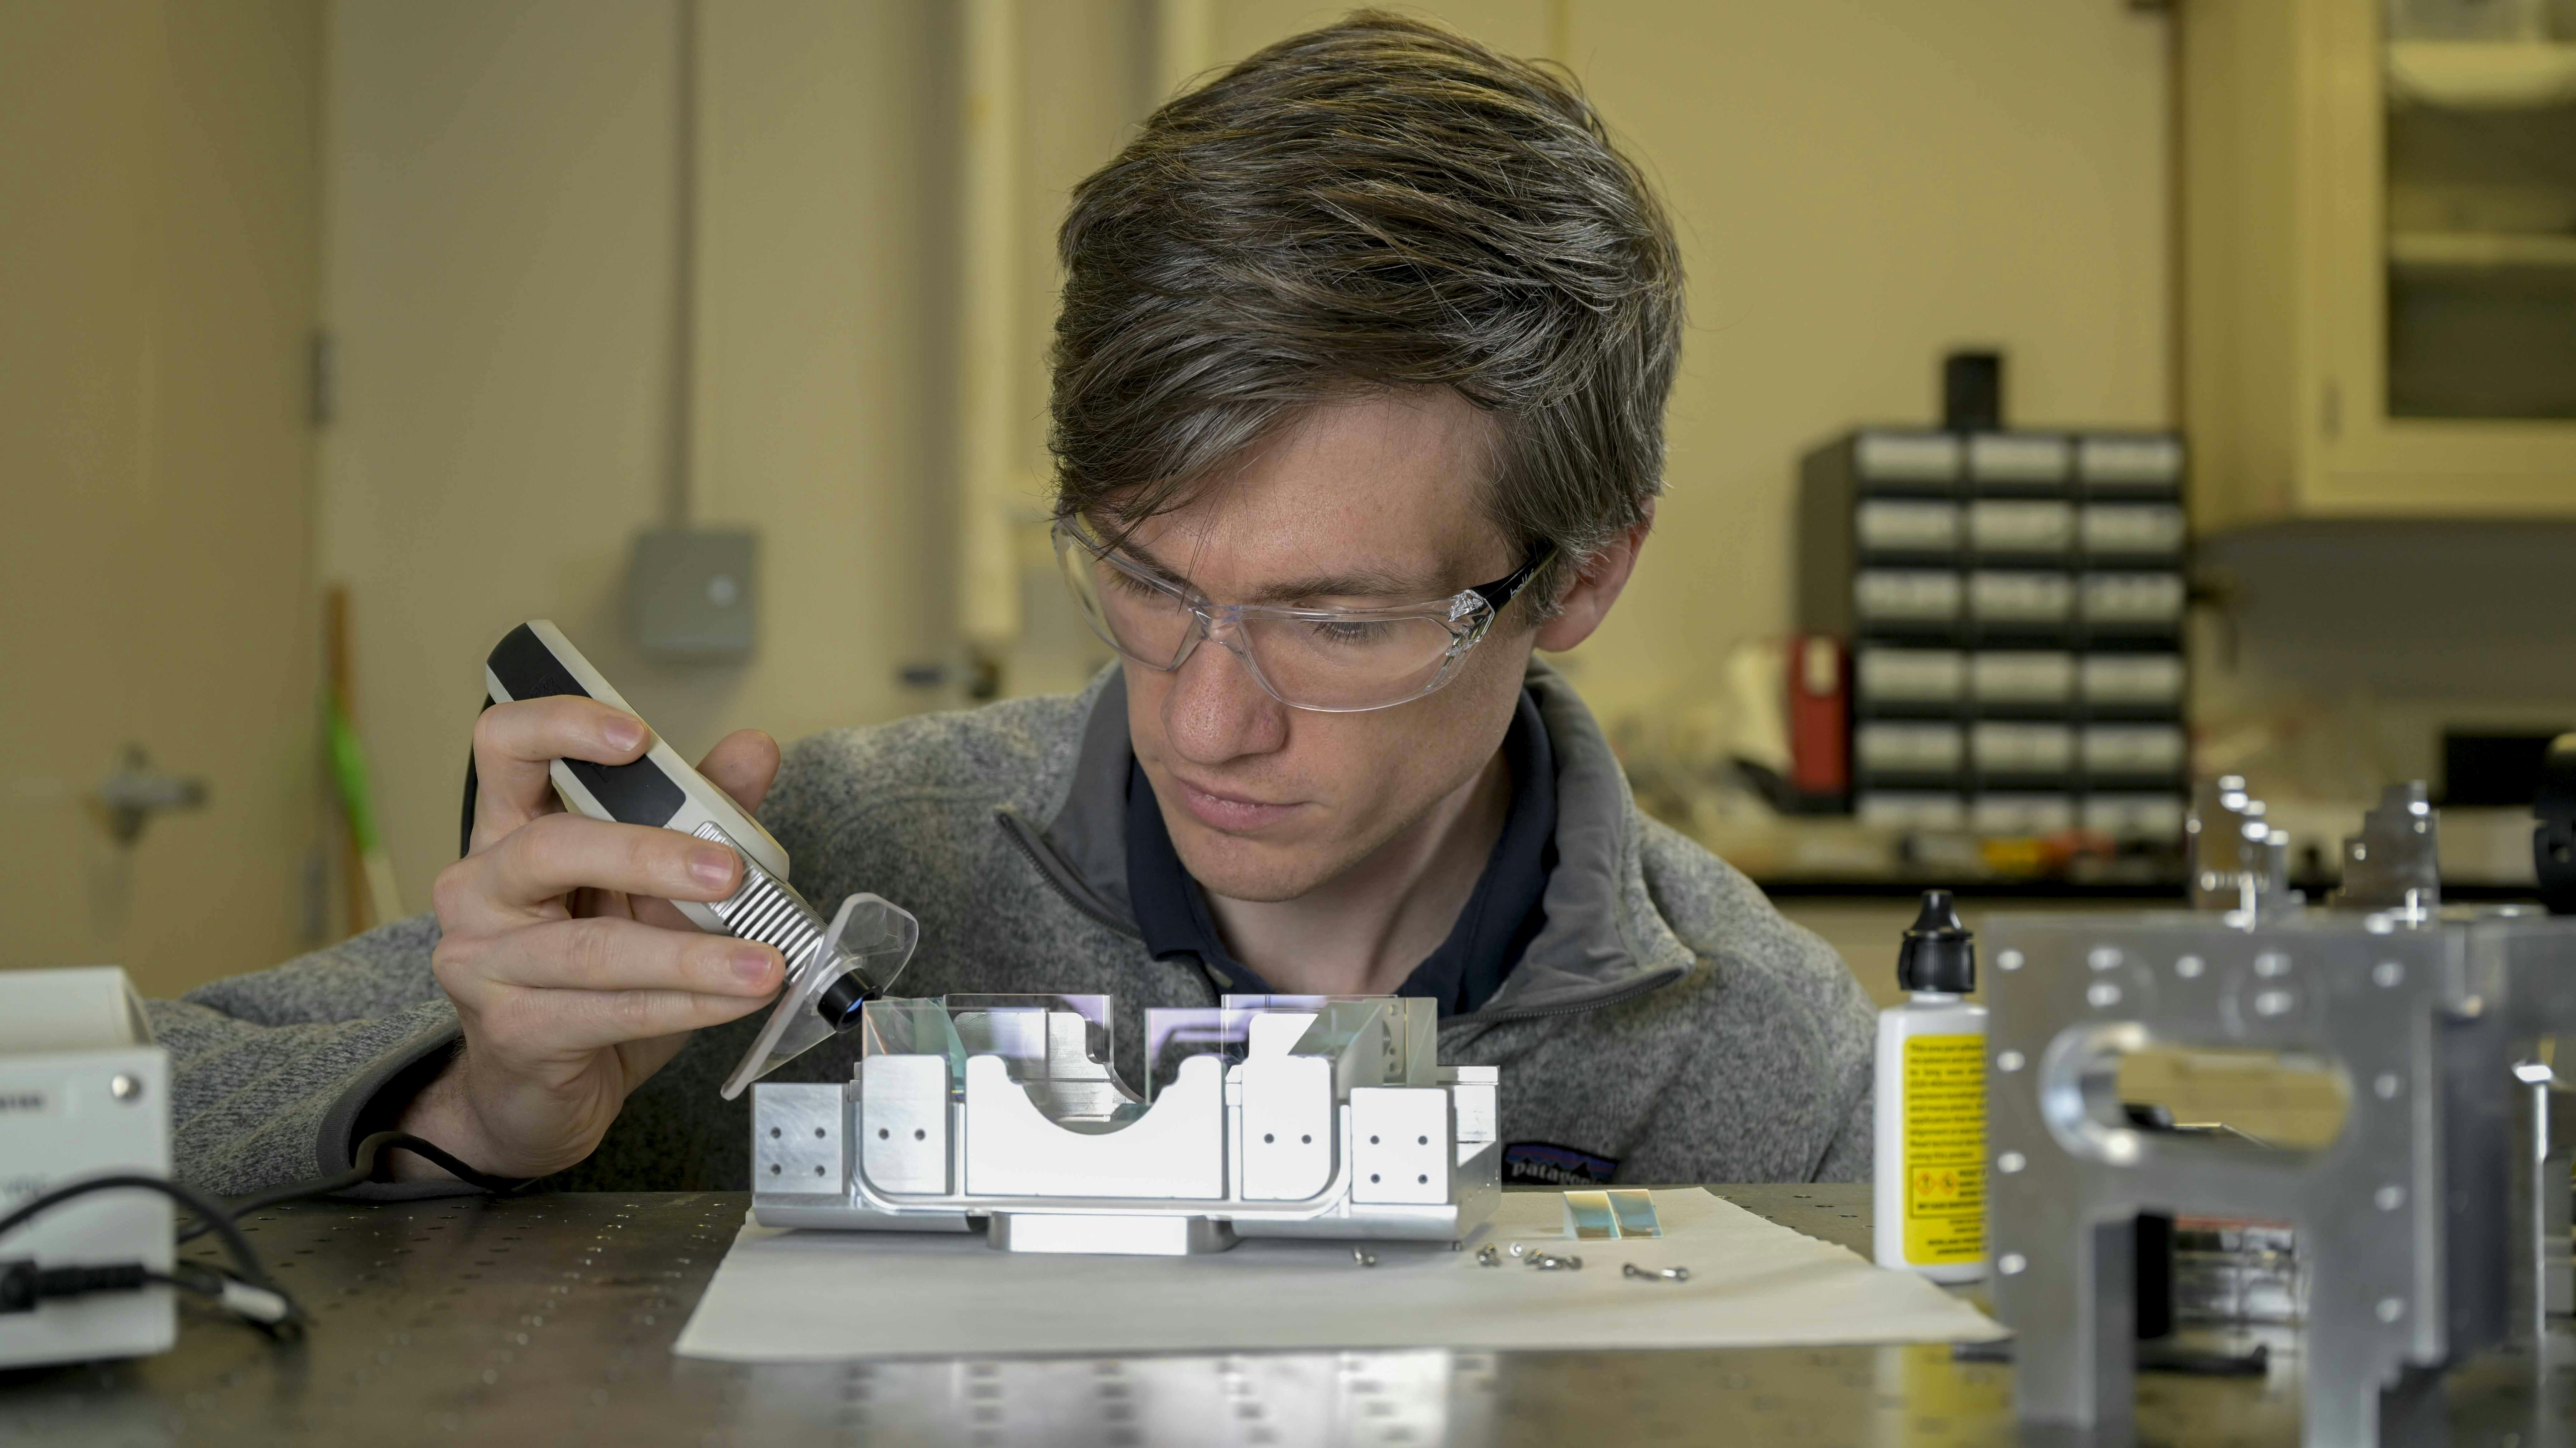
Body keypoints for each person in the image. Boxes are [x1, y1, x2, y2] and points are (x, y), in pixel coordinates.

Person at [153, 11, 1875, 1197]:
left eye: (1336, 624)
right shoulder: (806, 880)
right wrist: (472, 1116)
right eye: (1145, 578)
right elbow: (111, 1116)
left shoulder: (1758, 1052)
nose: (1204, 721)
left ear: (1579, 579)